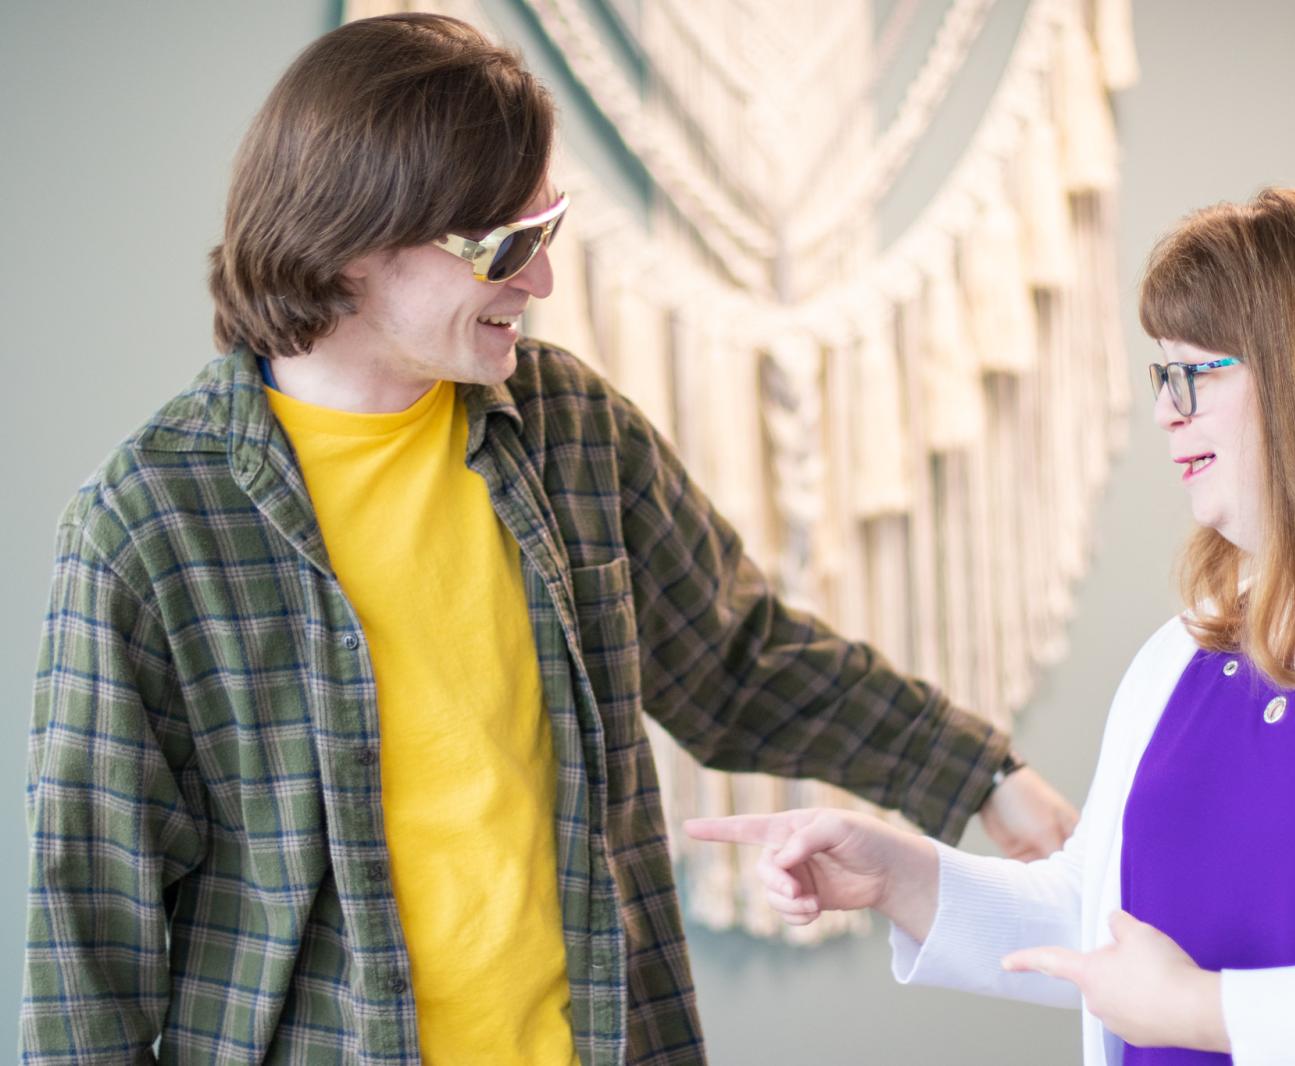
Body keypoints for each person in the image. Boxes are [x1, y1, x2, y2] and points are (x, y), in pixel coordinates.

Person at [21, 14, 1078, 1065]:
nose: (543, 282)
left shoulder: (567, 428)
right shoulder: (150, 523)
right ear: (354, 243)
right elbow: (88, 930)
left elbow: (738, 659)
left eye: (551, 229)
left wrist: (989, 778)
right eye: (510, 247)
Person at [687, 187, 1295, 1065]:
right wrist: (904, 879)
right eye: (1159, 373)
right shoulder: (1186, 656)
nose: (1165, 409)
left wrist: (1205, 1013)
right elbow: (1104, 921)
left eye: (1192, 372)